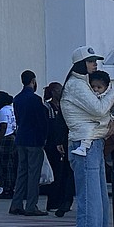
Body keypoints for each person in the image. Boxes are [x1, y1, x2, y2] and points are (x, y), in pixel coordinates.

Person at [59, 45, 114, 227]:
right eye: (91, 61)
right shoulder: (77, 86)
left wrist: (112, 121)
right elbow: (100, 110)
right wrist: (113, 90)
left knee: (100, 199)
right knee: (90, 200)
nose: (95, 65)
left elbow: (103, 115)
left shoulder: (81, 85)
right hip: (85, 145)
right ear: (81, 64)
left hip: (93, 143)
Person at [10, 70, 50, 216]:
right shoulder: (35, 99)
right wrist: (44, 137)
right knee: (34, 174)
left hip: (21, 137)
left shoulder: (17, 99)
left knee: (22, 172)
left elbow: (19, 119)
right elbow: (41, 121)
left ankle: (16, 203)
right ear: (33, 81)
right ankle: (31, 205)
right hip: (34, 139)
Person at [43, 82, 74, 217]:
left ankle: (63, 201)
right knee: (57, 175)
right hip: (53, 144)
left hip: (61, 142)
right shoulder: (49, 107)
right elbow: (52, 127)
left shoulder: (63, 105)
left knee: (64, 174)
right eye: (59, 90)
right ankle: (54, 202)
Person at [72, 70, 114, 158]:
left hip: (99, 125)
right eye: (93, 86)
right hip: (92, 125)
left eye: (99, 87)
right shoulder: (88, 94)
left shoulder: (106, 97)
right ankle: (83, 147)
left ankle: (83, 148)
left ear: (106, 87)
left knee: (89, 131)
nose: (95, 89)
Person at [0, 90, 17, 199]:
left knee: (3, 165)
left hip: (5, 139)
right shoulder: (12, 109)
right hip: (13, 136)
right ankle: (10, 187)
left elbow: (3, 126)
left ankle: (6, 188)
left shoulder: (2, 111)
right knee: (11, 164)